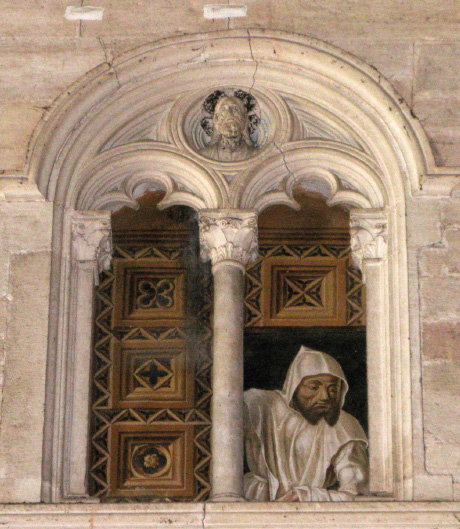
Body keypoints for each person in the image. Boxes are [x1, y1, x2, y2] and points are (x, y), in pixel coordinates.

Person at [244, 346, 368, 501]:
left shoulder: (345, 425)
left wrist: (306, 496)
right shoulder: (260, 405)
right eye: (314, 387)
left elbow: (356, 493)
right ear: (294, 386)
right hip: (256, 500)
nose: (325, 396)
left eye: (333, 389)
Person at [199, 95, 257, 162]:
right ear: (217, 119)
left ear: (244, 118)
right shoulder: (205, 155)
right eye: (224, 109)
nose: (230, 113)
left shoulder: (256, 155)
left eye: (235, 109)